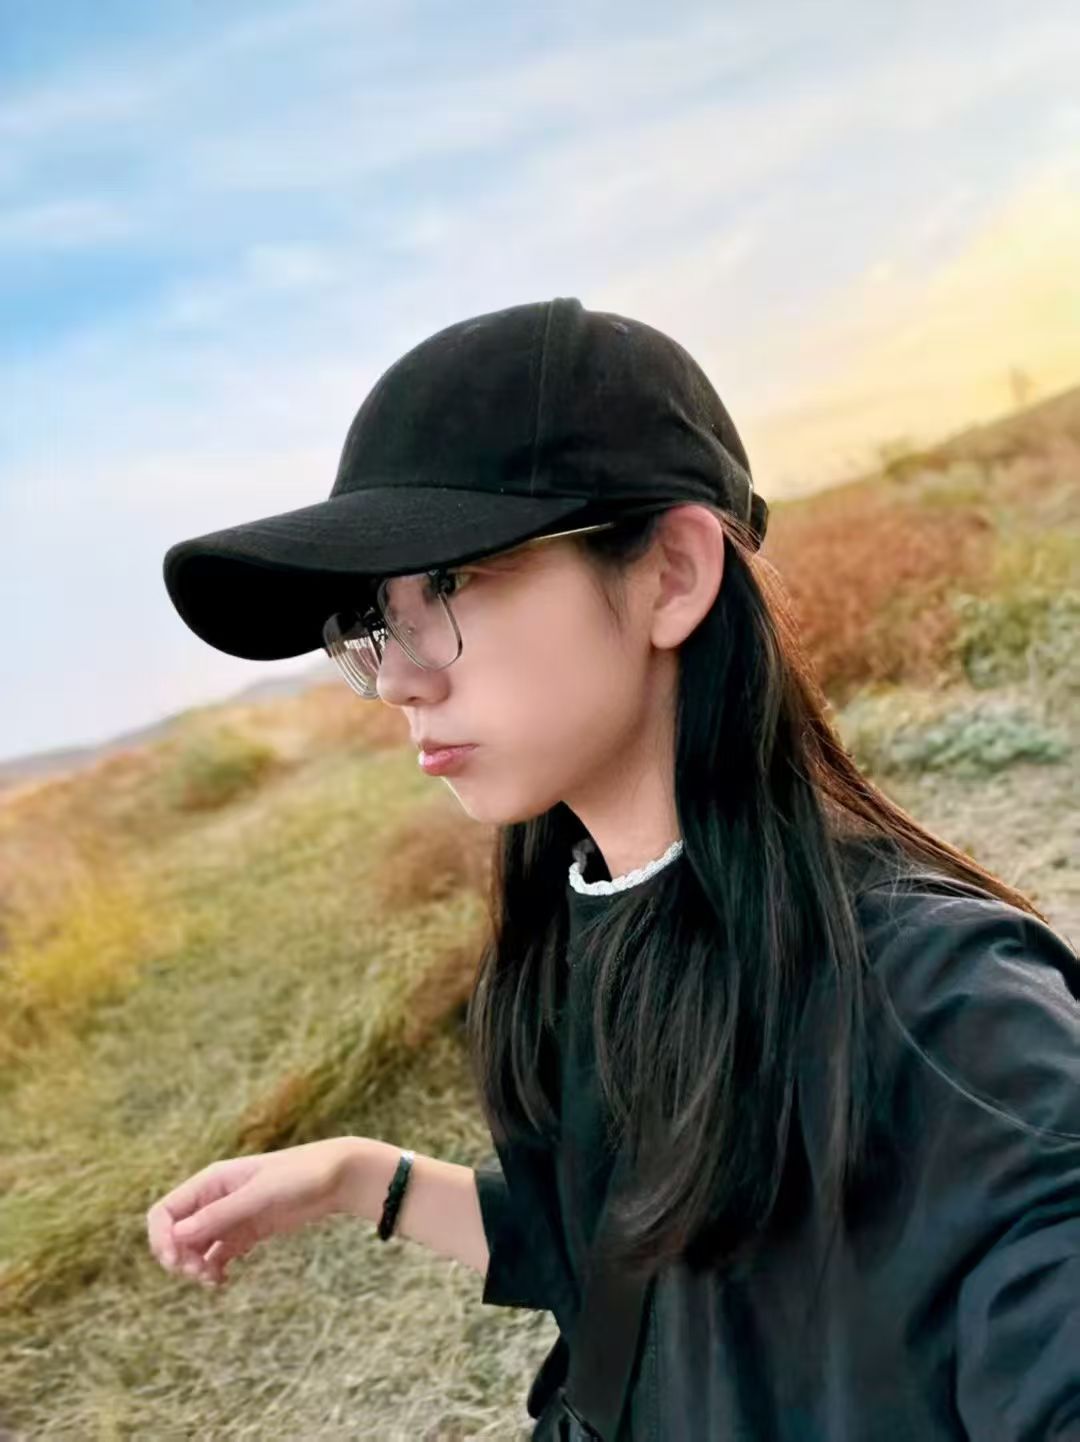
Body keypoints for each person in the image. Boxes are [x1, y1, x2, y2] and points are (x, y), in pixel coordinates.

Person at [147, 296, 1080, 1439]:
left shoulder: (953, 1014)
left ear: (671, 574)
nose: (396, 679)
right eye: (377, 618)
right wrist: (360, 1175)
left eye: (449, 583)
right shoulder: (584, 923)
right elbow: (618, 1255)